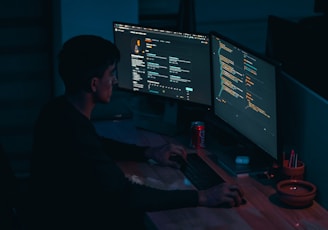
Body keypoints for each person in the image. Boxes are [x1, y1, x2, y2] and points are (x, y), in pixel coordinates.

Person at [28, 34, 244, 229]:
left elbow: (96, 144)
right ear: (94, 84)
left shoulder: (57, 111)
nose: (115, 81)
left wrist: (147, 153)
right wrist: (203, 197)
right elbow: (125, 195)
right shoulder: (76, 132)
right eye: (111, 74)